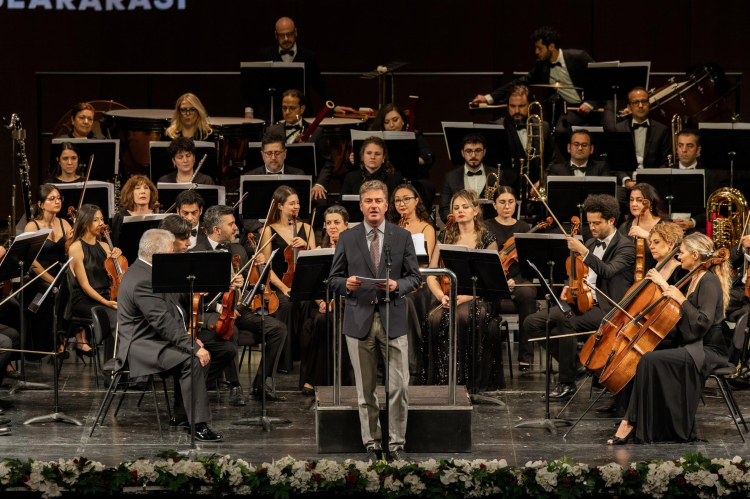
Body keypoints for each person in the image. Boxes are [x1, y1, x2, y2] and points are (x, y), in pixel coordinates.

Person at [329, 180, 422, 462]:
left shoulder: (402, 235)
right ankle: (372, 444)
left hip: (393, 319)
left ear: (386, 205)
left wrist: (397, 285)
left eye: (378, 201)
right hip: (359, 321)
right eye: (368, 201)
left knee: (399, 388)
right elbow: (333, 279)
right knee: (365, 390)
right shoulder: (347, 237)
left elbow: (415, 277)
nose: (373, 206)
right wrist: (346, 285)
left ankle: (397, 445)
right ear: (361, 205)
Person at [608, 233, 730, 444]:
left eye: (681, 252)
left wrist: (680, 298)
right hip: (693, 343)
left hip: (707, 350)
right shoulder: (694, 277)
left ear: (694, 255)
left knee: (648, 359)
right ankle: (644, 421)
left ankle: (629, 423)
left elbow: (702, 322)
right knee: (644, 354)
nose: (678, 256)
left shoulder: (708, 281)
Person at [524, 194, 635, 400]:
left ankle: (566, 383)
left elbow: (608, 271)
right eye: (589, 223)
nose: (592, 227)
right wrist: (569, 285)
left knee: (566, 322)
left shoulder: (625, 246)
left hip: (608, 307)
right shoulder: (591, 242)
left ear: (611, 220)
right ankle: (576, 365)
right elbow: (577, 272)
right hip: (581, 301)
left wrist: (583, 251)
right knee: (532, 323)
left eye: (597, 223)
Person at [114, 229, 222, 441]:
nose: (175, 256)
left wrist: (190, 340)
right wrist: (192, 346)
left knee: (202, 356)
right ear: (160, 255)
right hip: (141, 347)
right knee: (193, 359)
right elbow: (162, 322)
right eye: (172, 252)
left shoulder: (147, 271)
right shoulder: (143, 280)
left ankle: (182, 415)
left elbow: (172, 311)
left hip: (154, 339)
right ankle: (197, 424)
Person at [191, 205, 287, 401]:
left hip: (239, 307)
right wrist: (221, 303)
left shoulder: (239, 249)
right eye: (231, 224)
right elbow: (193, 296)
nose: (236, 228)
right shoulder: (196, 253)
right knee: (230, 329)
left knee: (278, 329)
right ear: (216, 229)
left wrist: (258, 268)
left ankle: (260, 384)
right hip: (211, 310)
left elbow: (251, 286)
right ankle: (234, 386)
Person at [472, 26, 614, 137]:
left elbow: (601, 79)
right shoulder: (542, 66)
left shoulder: (579, 57)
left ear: (551, 46)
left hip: (599, 103)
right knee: (559, 132)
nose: (536, 52)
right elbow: (519, 82)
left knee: (612, 130)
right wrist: (488, 98)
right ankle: (570, 163)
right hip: (574, 109)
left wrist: (590, 103)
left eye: (539, 48)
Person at [426, 189, 502, 389]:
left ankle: (466, 380)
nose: (460, 210)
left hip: (480, 295)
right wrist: (441, 296)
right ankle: (443, 379)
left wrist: (466, 297)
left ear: (475, 210)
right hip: (450, 295)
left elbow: (491, 280)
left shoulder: (486, 237)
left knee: (462, 316)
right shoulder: (445, 235)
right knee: (434, 317)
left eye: (465, 206)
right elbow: (432, 273)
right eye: (456, 207)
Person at [247, 17, 355, 121]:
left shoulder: (308, 56)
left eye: (289, 34)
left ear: (295, 32)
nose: (286, 39)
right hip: (272, 114)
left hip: (301, 114)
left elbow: (320, 85)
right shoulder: (265, 55)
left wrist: (335, 106)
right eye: (281, 35)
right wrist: (249, 110)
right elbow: (256, 85)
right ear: (275, 35)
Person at [258, 186, 317, 373]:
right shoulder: (269, 231)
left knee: (307, 303)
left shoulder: (306, 228)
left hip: (303, 284)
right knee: (288, 305)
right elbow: (266, 266)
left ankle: (307, 358)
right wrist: (283, 288)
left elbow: (315, 261)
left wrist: (306, 246)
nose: (296, 206)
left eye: (297, 203)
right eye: (292, 203)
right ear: (280, 206)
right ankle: (284, 361)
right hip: (279, 286)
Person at [299, 205, 354, 394]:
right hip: (325, 305)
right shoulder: (320, 250)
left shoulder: (354, 249)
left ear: (346, 224)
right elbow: (312, 285)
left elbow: (354, 282)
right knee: (315, 323)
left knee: (324, 321)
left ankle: (318, 380)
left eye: (337, 222)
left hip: (348, 304)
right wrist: (322, 302)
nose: (332, 226)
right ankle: (316, 378)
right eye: (328, 223)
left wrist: (336, 303)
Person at [484, 186, 540, 370]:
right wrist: (499, 279)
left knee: (528, 294)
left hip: (517, 279)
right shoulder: (486, 226)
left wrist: (516, 281)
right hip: (494, 281)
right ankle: (488, 357)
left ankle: (525, 357)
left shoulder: (523, 227)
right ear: (494, 205)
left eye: (510, 202)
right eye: (502, 202)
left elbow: (527, 262)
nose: (507, 206)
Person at [387, 183, 436, 379]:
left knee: (404, 300)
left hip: (418, 281)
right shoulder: (390, 227)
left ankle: (411, 361)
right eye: (397, 200)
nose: (402, 203)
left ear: (416, 201)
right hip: (394, 279)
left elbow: (426, 261)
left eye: (406, 199)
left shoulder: (426, 228)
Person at [67, 204, 122, 361]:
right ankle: (113, 366)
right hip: (85, 300)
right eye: (96, 220)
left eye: (102, 219)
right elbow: (85, 286)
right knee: (117, 317)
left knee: (130, 313)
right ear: (85, 223)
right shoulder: (76, 248)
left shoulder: (105, 246)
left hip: (106, 297)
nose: (101, 223)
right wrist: (106, 302)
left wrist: (117, 256)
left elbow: (116, 275)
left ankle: (125, 362)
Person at [24, 184, 73, 358]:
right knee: (52, 291)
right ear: (41, 204)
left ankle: (63, 340)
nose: (57, 201)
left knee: (73, 288)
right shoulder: (32, 226)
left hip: (60, 272)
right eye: (51, 199)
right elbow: (31, 261)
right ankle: (52, 342)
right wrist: (52, 280)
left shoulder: (64, 223)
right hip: (38, 276)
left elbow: (70, 252)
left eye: (59, 198)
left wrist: (73, 241)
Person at [264, 89, 335, 202]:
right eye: (284, 108)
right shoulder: (271, 131)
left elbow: (327, 163)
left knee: (320, 203)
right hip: (278, 182)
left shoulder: (317, 132)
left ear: (302, 109)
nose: (287, 112)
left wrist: (319, 185)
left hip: (308, 184)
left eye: (292, 108)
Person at [370, 103, 436, 207]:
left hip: (412, 181)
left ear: (403, 120)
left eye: (395, 120)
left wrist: (417, 160)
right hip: (385, 181)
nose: (391, 125)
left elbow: (429, 155)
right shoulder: (376, 140)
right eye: (386, 122)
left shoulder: (415, 137)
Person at [673, 129, 729, 234]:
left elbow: (714, 209)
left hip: (696, 230)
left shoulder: (711, 176)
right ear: (677, 148)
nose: (684, 150)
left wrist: (692, 222)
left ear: (698, 150)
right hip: (668, 227)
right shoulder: (666, 172)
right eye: (680, 145)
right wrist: (670, 221)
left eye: (689, 146)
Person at [615, 87, 671, 189]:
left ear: (649, 104)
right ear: (629, 107)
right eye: (636, 102)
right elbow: (615, 162)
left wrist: (654, 180)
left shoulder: (662, 130)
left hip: (653, 183)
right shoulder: (619, 129)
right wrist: (626, 181)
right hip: (626, 183)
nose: (641, 106)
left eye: (644, 101)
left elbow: (664, 161)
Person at [502, 85, 555, 190]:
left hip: (536, 188)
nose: (516, 111)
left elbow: (551, 160)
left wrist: (543, 179)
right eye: (512, 106)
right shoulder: (499, 127)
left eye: (521, 106)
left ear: (530, 105)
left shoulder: (543, 127)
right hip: (508, 189)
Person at [439, 133, 498, 223]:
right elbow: (444, 209)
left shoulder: (497, 174)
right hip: (460, 226)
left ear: (484, 152)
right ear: (463, 153)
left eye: (478, 150)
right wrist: (456, 223)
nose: (473, 155)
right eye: (469, 151)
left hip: (491, 227)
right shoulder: (450, 177)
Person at [617, 183, 670, 273]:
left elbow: (667, 257)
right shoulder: (625, 226)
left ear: (650, 203)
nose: (634, 204)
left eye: (639, 200)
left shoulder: (665, 225)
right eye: (631, 200)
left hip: (656, 274)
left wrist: (648, 236)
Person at [341, 136, 403, 201]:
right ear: (362, 156)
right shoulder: (351, 177)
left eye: (377, 154)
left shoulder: (395, 178)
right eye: (369, 153)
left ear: (383, 158)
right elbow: (342, 203)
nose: (373, 157)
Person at [110, 175, 158, 246]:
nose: (143, 191)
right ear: (130, 193)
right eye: (137, 188)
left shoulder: (158, 216)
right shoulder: (120, 218)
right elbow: (115, 245)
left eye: (146, 188)